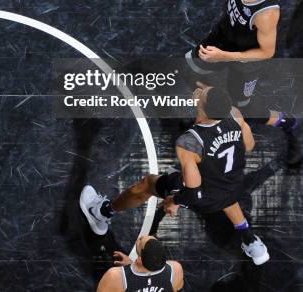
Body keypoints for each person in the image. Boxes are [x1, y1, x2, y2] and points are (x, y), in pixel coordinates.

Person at [81, 85, 270, 266]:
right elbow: (249, 145)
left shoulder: (190, 141)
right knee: (226, 195)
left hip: (206, 196)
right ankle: (252, 243)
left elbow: (194, 193)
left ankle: (101, 213)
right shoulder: (234, 114)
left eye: (202, 93)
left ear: (202, 108)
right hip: (233, 185)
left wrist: (175, 201)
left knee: (147, 184)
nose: (199, 90)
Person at [161, 0, 302, 165]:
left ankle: (287, 121)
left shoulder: (267, 13)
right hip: (222, 38)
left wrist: (225, 57)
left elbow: (266, 52)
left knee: (242, 108)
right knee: (192, 72)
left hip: (246, 60)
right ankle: (201, 113)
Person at [96, 235, 183, 292]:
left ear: (140, 259)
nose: (142, 236)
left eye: (140, 240)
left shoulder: (115, 276)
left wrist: (128, 270)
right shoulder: (175, 269)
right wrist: (131, 265)